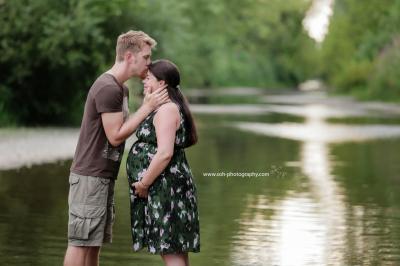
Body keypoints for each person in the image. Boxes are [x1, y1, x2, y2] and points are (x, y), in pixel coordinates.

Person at [63, 30, 169, 266]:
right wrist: (147, 107)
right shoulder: (108, 87)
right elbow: (115, 136)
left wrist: (147, 104)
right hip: (90, 176)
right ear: (130, 57)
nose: (149, 63)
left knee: (93, 243)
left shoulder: (121, 89)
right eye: (146, 57)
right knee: (80, 243)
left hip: (102, 177)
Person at [126, 59, 200, 266]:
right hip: (167, 186)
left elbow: (165, 154)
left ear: (162, 83)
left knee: (171, 250)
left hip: (165, 189)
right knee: (175, 249)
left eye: (149, 78)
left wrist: (143, 184)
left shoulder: (167, 110)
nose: (144, 80)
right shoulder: (166, 107)